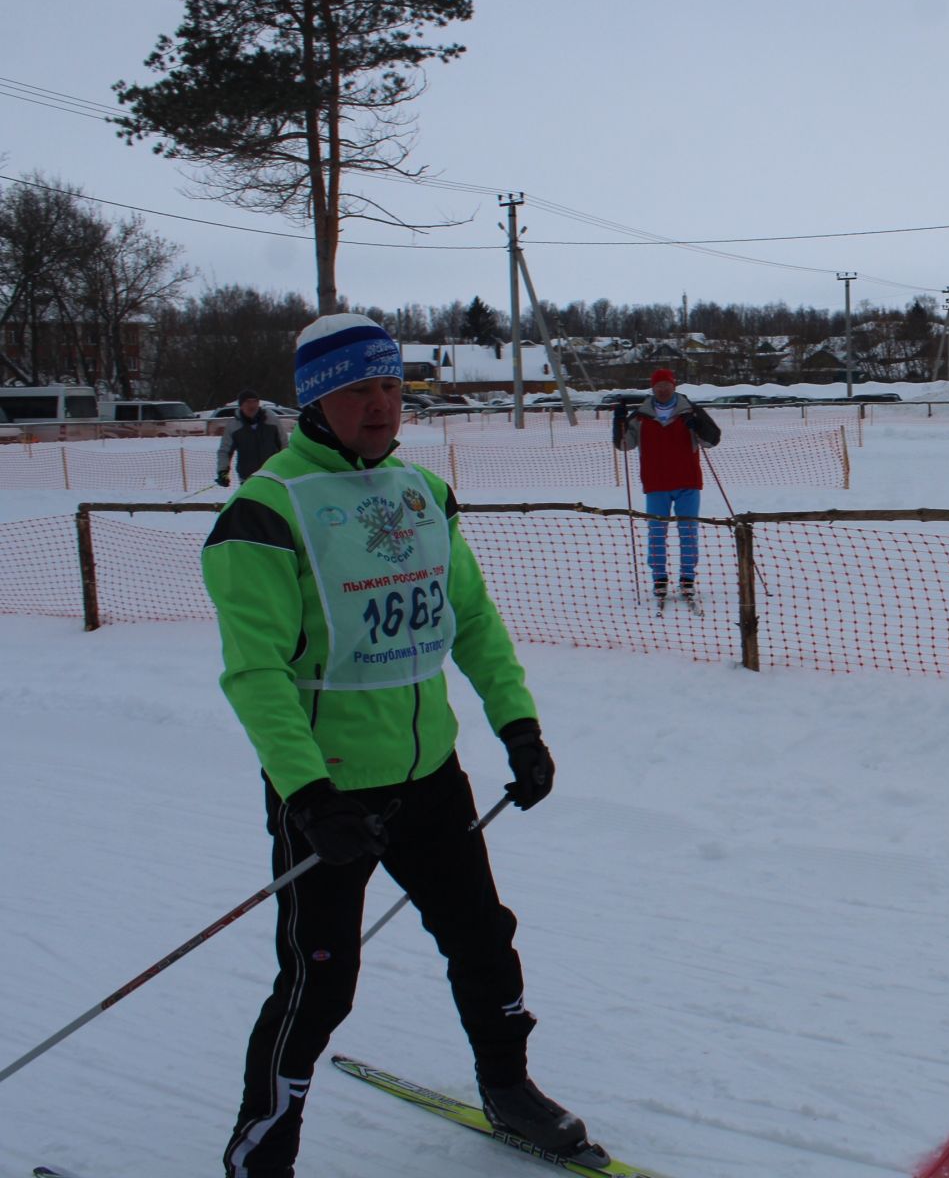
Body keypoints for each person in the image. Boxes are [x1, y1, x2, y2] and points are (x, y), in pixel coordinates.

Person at [202, 314, 598, 1177]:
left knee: (485, 942)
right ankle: (258, 1157)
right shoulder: (265, 511)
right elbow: (256, 675)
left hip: (431, 777)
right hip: (331, 793)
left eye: (391, 386)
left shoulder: (422, 490)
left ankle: (508, 1086)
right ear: (315, 398)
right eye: (358, 389)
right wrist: (307, 797)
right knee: (319, 986)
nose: (381, 406)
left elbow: (472, 621)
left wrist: (518, 725)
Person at [613, 367, 722, 603]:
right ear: (652, 388)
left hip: (688, 482)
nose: (662, 389)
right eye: (658, 386)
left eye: (666, 385)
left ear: (674, 386)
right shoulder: (641, 415)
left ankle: (687, 578)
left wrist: (698, 426)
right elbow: (624, 445)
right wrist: (618, 420)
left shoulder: (690, 411)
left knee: (688, 532)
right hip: (656, 483)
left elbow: (712, 440)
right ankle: (659, 578)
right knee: (656, 532)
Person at [215, 389, 285, 487]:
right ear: (241, 405)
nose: (252, 405)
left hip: (273, 475)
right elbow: (225, 451)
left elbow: (284, 445)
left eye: (255, 401)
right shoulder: (234, 426)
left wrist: (287, 467)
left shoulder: (271, 420)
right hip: (248, 478)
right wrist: (222, 472)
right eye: (248, 402)